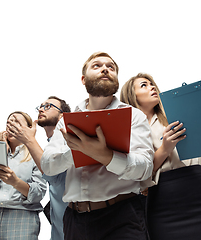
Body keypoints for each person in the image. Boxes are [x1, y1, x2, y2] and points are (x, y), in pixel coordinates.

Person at [120, 13, 201, 240]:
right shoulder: (126, 131)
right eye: (144, 85)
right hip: (162, 201)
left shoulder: (174, 113)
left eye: (152, 83)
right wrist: (164, 149)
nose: (152, 87)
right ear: (131, 95)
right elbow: (135, 176)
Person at [39, 52, 154, 240]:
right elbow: (48, 166)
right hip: (74, 220)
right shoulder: (67, 121)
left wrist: (106, 156)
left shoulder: (134, 115)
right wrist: (77, 150)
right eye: (97, 66)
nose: (105, 69)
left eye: (111, 67)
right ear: (83, 79)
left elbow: (145, 168)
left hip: (122, 217)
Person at [0, 111, 47, 240]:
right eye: (9, 122)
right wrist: (0, 152)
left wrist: (16, 182)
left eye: (16, 122)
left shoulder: (36, 156)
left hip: (21, 217)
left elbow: (38, 194)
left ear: (29, 128)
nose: (11, 125)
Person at [6, 96, 71, 240]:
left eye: (48, 106)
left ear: (62, 115)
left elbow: (52, 173)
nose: (41, 109)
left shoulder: (69, 142)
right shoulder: (45, 148)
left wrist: (29, 140)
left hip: (75, 225)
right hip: (58, 228)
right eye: (41, 106)